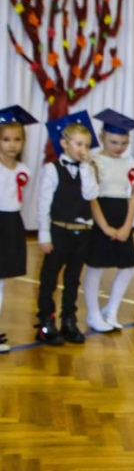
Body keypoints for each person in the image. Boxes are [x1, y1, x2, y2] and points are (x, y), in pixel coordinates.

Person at [36, 111, 100, 345]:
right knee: (49, 278)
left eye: (87, 145)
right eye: (78, 144)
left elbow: (91, 194)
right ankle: (46, 321)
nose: (83, 149)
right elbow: (43, 204)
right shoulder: (52, 169)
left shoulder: (88, 168)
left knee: (73, 279)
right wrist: (44, 235)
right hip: (59, 231)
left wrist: (85, 167)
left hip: (82, 232)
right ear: (64, 143)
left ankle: (69, 321)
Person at [82, 110, 134, 333]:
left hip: (122, 218)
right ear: (102, 137)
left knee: (130, 265)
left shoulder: (130, 161)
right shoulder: (94, 162)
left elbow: (132, 196)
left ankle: (111, 310)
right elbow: (92, 199)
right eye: (114, 142)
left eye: (124, 143)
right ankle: (93, 314)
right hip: (101, 219)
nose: (119, 147)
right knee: (95, 267)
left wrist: (127, 226)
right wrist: (105, 227)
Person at [0, 105, 37, 353]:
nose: (12, 145)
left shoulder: (23, 170)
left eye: (17, 139)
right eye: (6, 139)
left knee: (1, 281)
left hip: (11, 224)